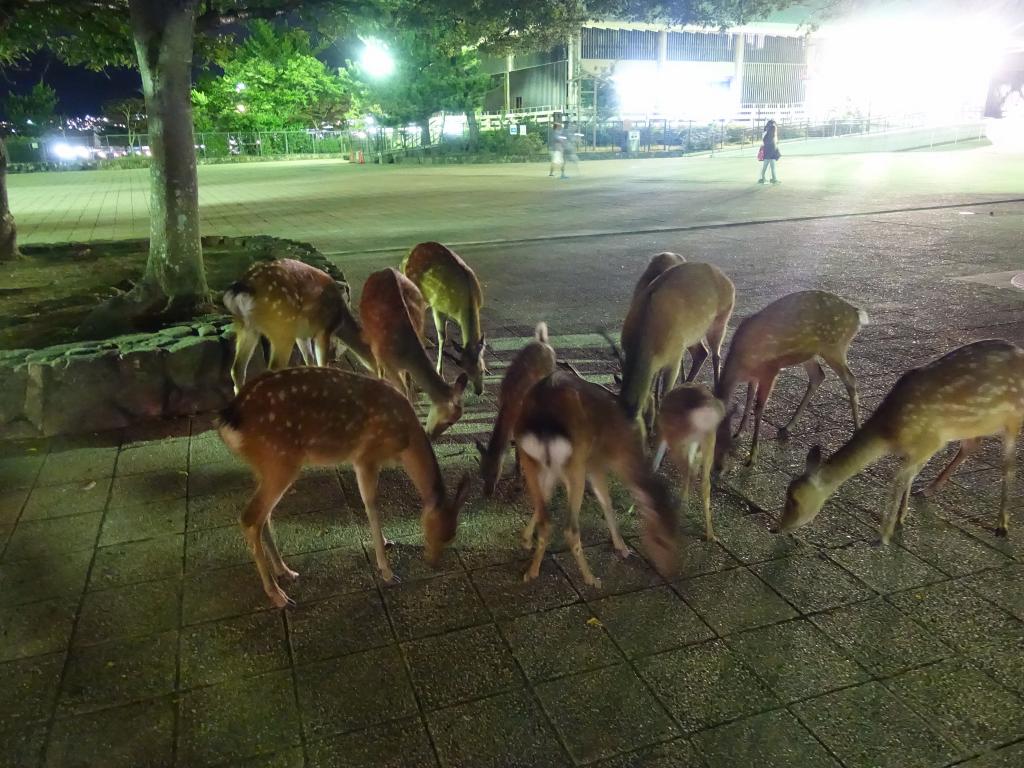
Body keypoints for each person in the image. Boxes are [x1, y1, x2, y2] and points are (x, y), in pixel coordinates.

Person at [758, 119, 781, 184]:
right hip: (772, 150)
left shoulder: (765, 132)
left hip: (766, 150)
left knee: (765, 166)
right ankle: (774, 179)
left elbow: (763, 141)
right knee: (773, 167)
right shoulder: (773, 130)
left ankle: (762, 178)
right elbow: (776, 142)